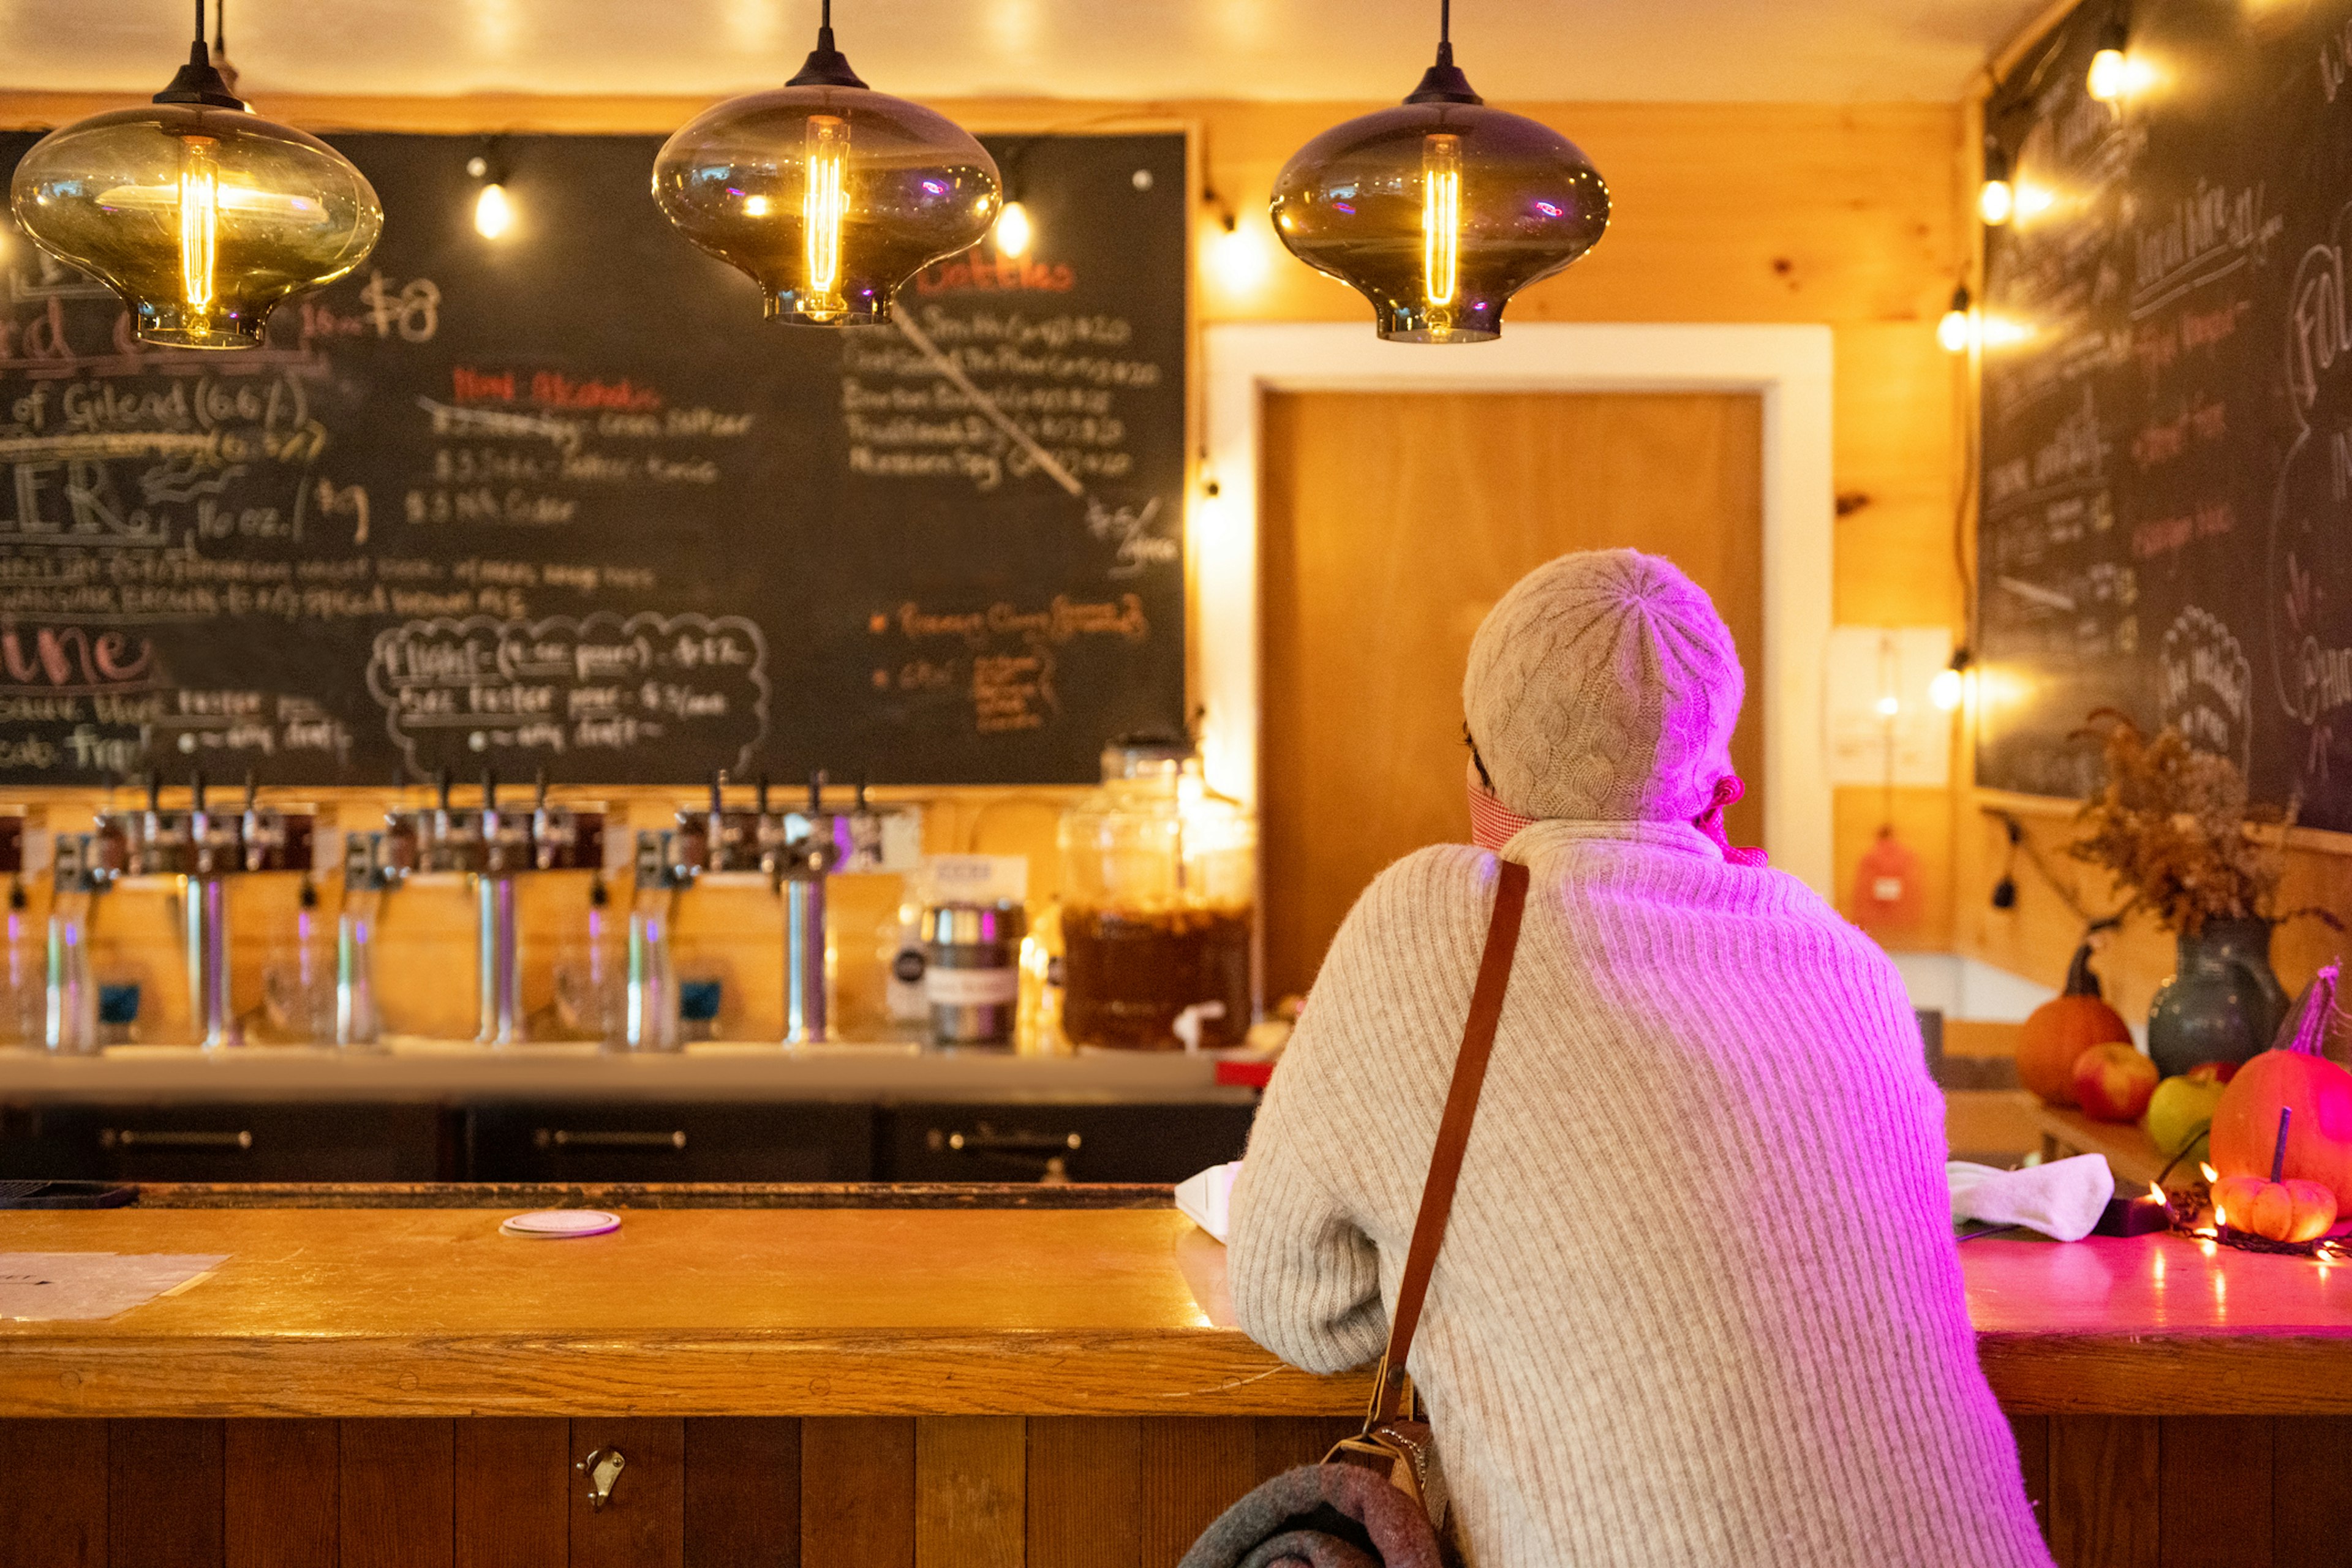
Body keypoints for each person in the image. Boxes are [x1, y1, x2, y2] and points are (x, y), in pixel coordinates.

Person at [1228, 549, 2051, 1568]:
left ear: (1479, 770)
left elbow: (1293, 1302)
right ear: (1718, 782)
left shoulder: (1432, 921)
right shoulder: (1850, 963)